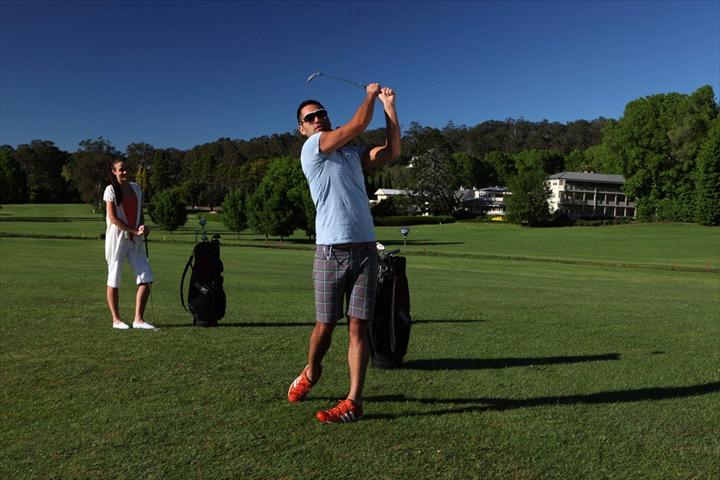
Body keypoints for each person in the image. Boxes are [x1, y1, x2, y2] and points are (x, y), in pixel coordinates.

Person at [288, 83, 400, 423]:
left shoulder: (350, 154)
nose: (318, 119)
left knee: (357, 326)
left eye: (321, 114)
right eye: (310, 117)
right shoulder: (312, 148)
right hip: (330, 250)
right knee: (325, 325)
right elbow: (357, 125)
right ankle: (312, 370)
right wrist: (369, 96)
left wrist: (389, 109)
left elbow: (391, 152)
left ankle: (353, 401)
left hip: (365, 249)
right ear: (302, 128)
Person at [103, 159, 155, 330]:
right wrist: (133, 230)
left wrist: (142, 227)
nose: (124, 172)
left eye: (126, 169)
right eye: (121, 170)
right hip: (117, 239)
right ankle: (116, 320)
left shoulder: (136, 188)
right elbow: (113, 218)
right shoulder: (110, 190)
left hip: (135, 240)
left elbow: (140, 214)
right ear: (114, 172)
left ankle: (138, 319)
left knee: (146, 277)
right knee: (114, 278)